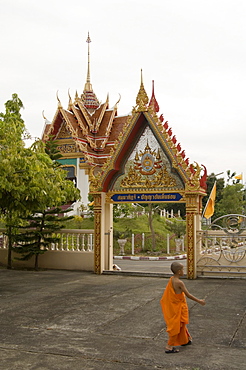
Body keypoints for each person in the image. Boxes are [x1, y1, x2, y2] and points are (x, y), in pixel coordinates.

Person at [160, 261, 205, 354]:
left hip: (175, 306)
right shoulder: (179, 282)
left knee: (181, 324)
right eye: (182, 269)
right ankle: (169, 346)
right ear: (179, 271)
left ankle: (186, 340)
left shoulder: (172, 279)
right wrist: (199, 301)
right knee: (176, 326)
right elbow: (188, 295)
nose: (183, 271)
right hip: (177, 307)